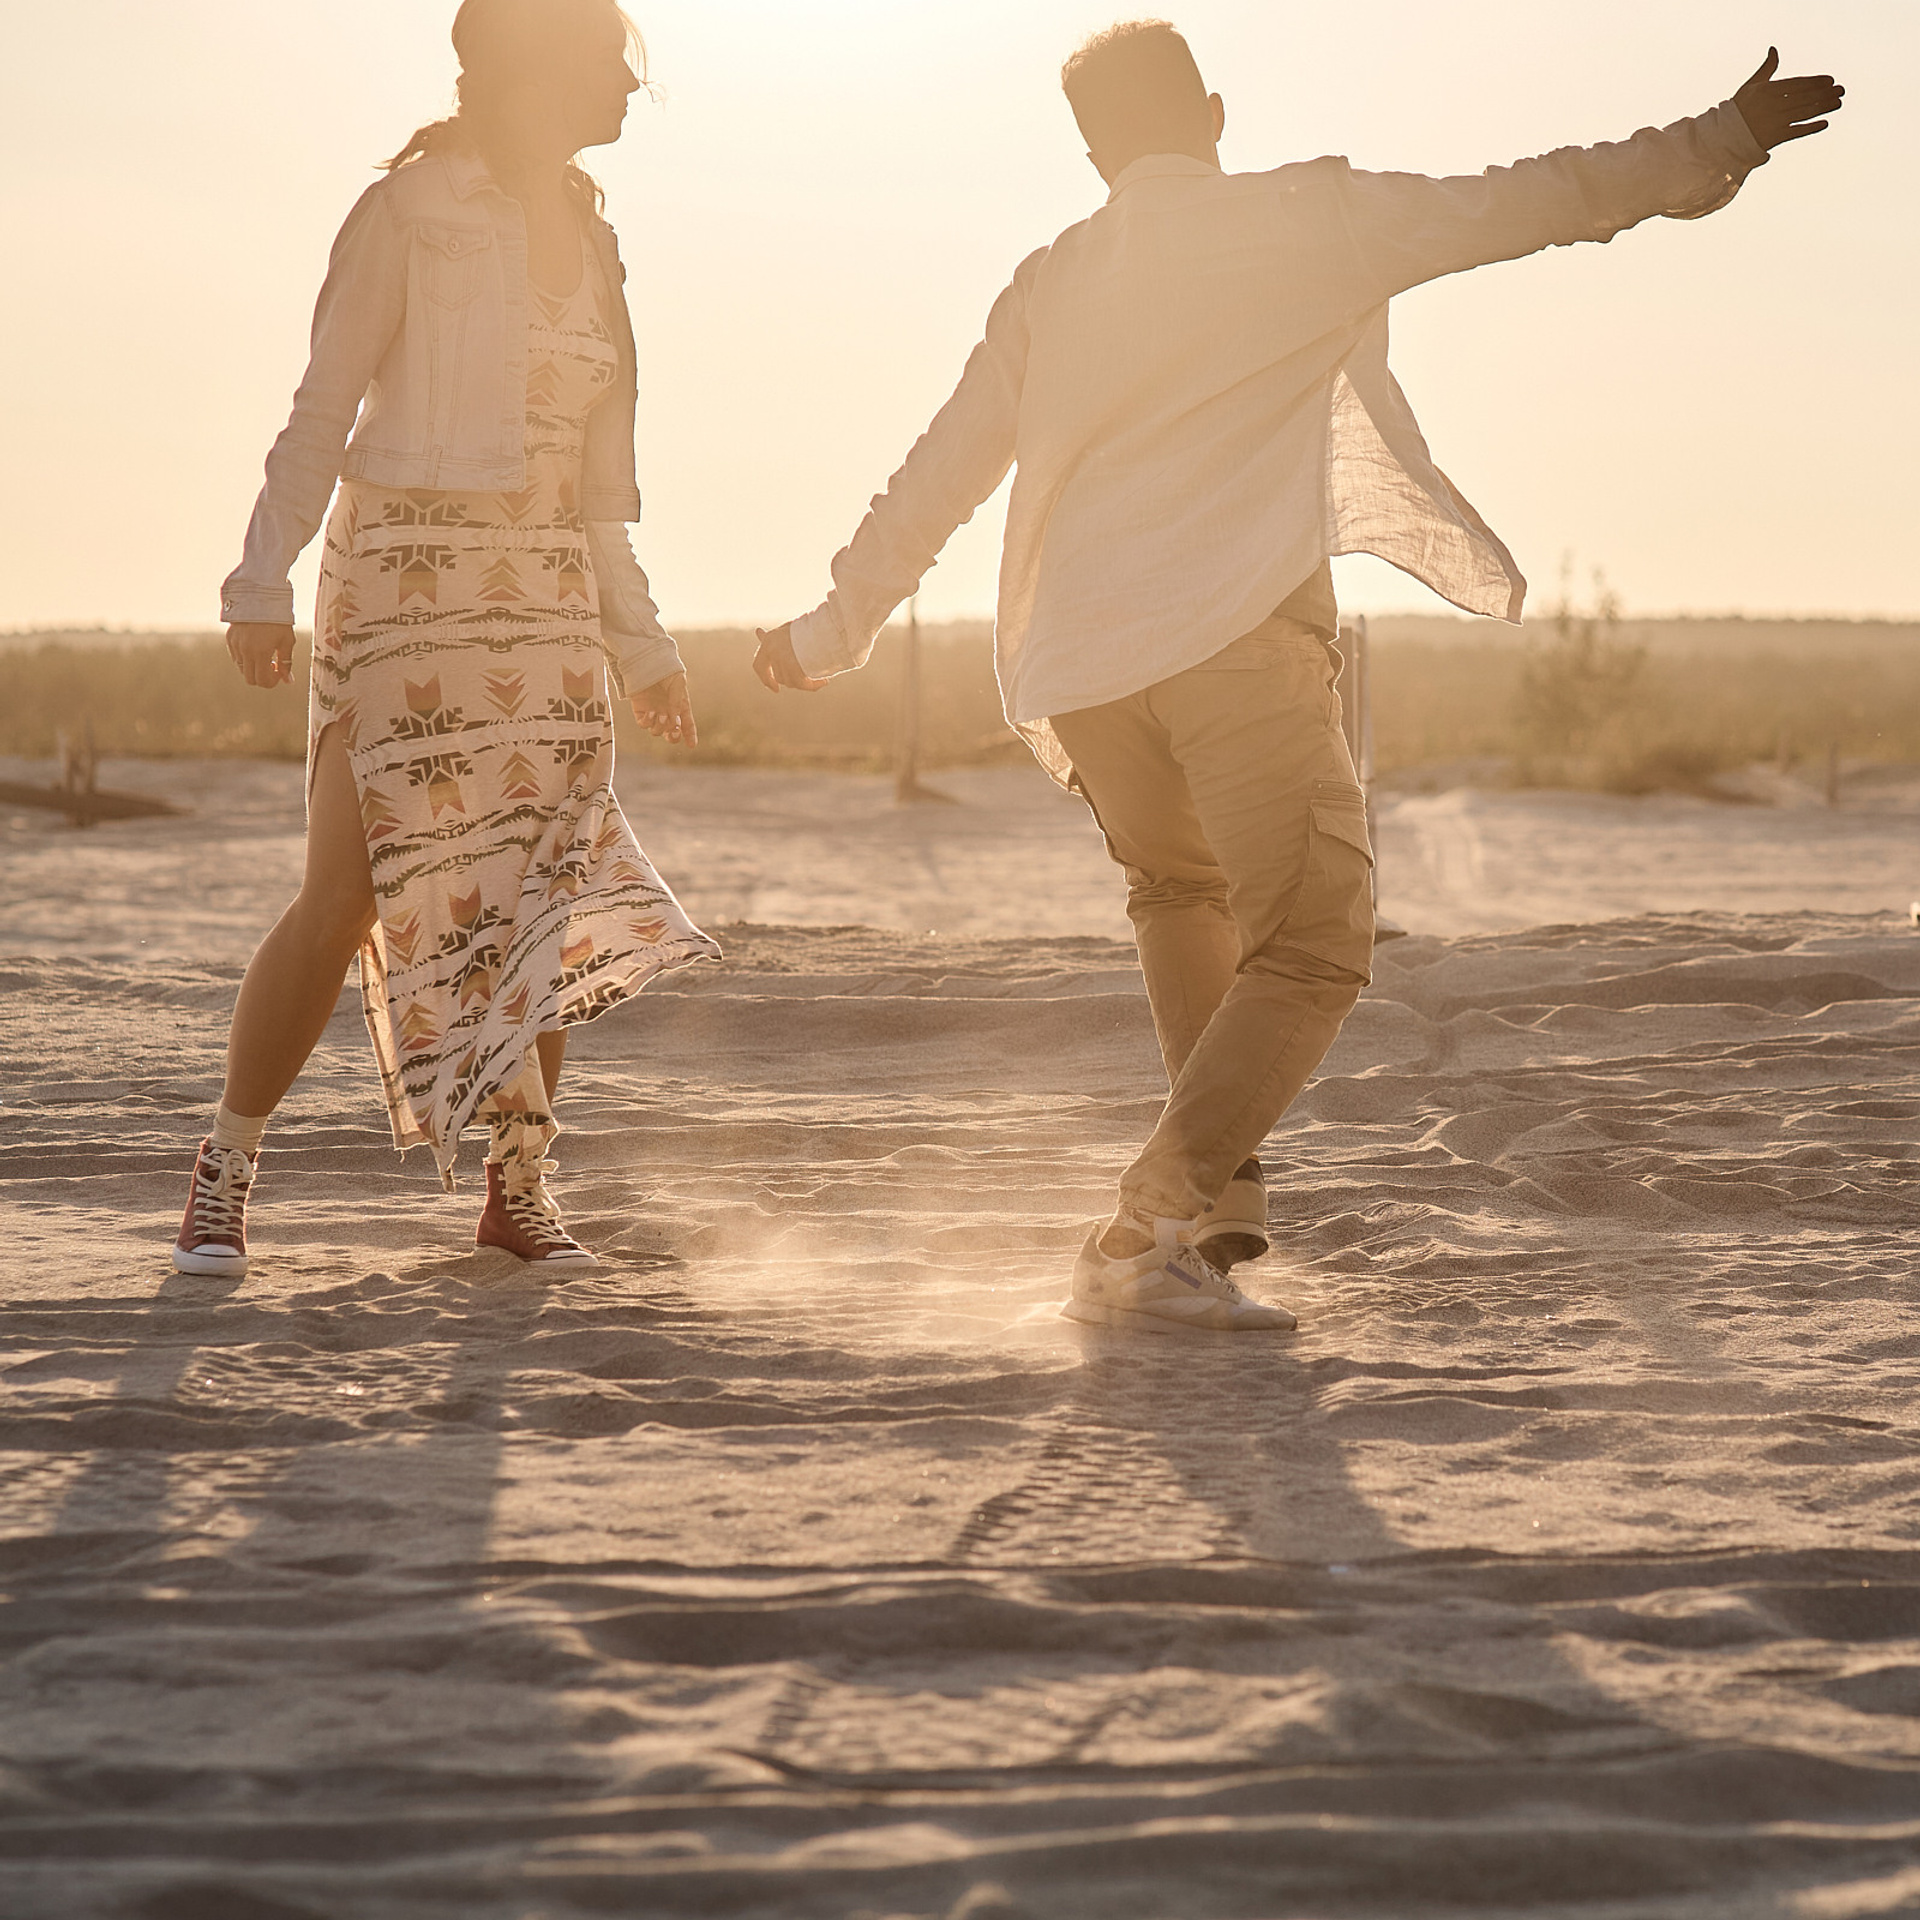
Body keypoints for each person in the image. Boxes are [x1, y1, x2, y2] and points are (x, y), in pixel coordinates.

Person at [754, 25, 1844, 1334]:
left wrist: (829, 632)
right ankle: (1148, 1227)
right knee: (1317, 941)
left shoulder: (1051, 280)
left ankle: (1208, 1217)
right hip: (1227, 647)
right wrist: (1717, 140)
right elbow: (1529, 200)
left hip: (1084, 668)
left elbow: (937, 476)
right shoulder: (1309, 220)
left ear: (1093, 148)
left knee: (1181, 892)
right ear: (1214, 112)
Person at [176, 0, 719, 1280]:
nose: (633, 89)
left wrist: (642, 644)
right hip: (410, 587)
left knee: (541, 899)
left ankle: (518, 1189)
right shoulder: (412, 211)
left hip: (545, 608)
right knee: (345, 891)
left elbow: (597, 488)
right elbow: (319, 412)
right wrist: (260, 578)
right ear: (536, 74)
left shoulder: (595, 234)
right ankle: (221, 1177)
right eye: (610, 65)